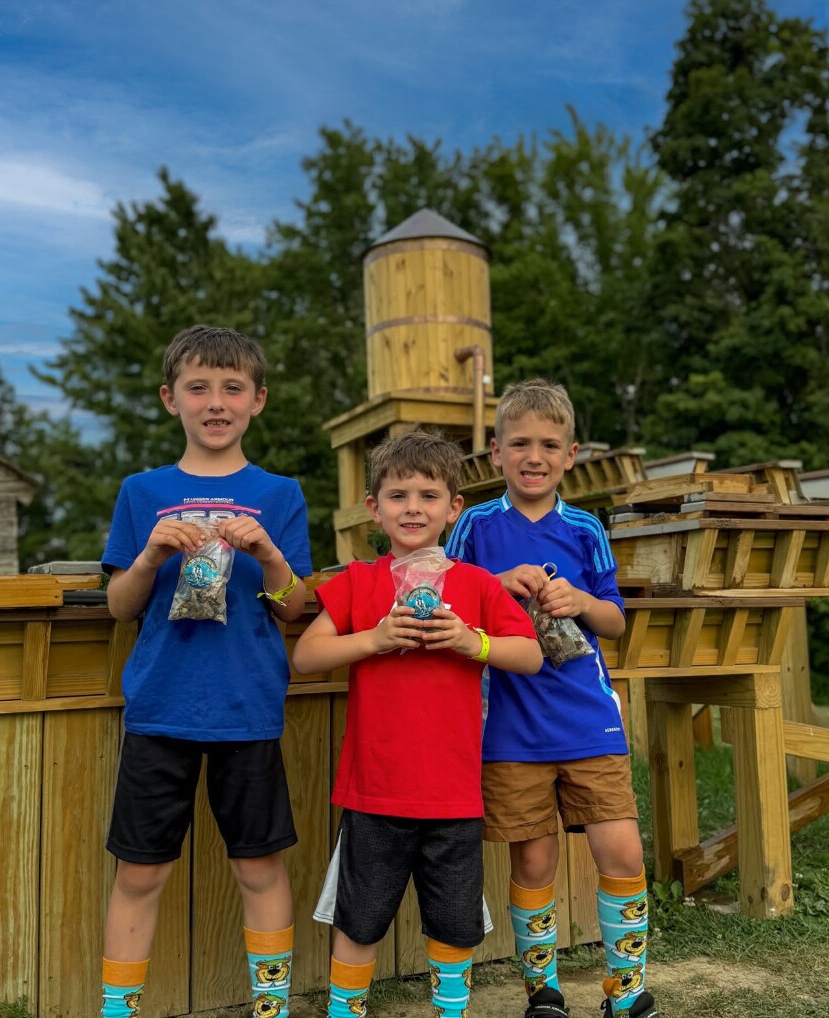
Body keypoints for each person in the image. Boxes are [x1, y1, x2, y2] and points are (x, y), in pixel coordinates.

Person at [99, 325, 311, 1018]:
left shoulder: (281, 493)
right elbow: (120, 607)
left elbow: (293, 607)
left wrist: (270, 555)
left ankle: (271, 1009)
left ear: (258, 400)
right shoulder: (142, 491)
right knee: (140, 873)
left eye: (232, 388)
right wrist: (149, 556)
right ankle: (119, 1011)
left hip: (248, 709)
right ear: (171, 399)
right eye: (198, 388)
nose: (215, 402)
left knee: (259, 867)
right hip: (159, 708)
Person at [293, 431, 543, 1018]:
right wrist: (375, 638)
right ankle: (345, 1011)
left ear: (453, 508)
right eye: (397, 495)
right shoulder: (359, 581)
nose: (413, 508)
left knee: (454, 924)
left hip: (455, 794)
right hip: (374, 792)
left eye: (428, 496)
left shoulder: (478, 584)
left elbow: (530, 655)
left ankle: (449, 1010)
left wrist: (472, 641)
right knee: (359, 919)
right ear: (374, 508)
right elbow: (305, 657)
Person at [445, 379, 660, 1018]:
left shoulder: (586, 528)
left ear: (571, 455)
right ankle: (544, 993)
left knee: (621, 850)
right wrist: (496, 584)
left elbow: (615, 620)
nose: (533, 456)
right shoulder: (475, 525)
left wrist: (583, 600)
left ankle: (627, 993)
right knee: (534, 860)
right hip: (509, 724)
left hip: (588, 718)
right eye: (519, 444)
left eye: (548, 445)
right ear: (496, 453)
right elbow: (445, 595)